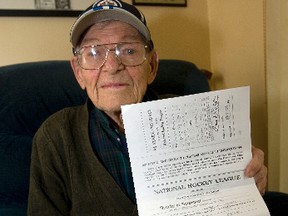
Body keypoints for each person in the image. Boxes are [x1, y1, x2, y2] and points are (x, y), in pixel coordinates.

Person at [27, 0, 267, 215]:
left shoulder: (191, 115)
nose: (111, 66)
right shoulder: (56, 136)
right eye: (93, 52)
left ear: (151, 66)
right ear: (79, 72)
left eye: (129, 50)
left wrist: (247, 179)